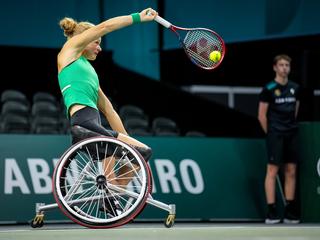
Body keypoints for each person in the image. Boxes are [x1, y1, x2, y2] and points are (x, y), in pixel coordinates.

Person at [57, 8, 158, 215]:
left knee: (143, 152)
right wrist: (138, 18)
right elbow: (105, 26)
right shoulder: (68, 52)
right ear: (84, 39)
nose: (99, 48)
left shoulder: (90, 73)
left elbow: (110, 111)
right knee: (134, 150)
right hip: (83, 124)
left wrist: (127, 140)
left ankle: (111, 197)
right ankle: (108, 198)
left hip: (95, 127)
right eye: (97, 42)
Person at [258, 54, 301, 224]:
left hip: (291, 133)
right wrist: (271, 134)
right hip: (275, 134)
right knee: (272, 171)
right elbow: (261, 116)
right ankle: (272, 210)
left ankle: (290, 210)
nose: (284, 68)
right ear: (275, 67)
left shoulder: (295, 88)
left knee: (291, 171)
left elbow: (295, 111)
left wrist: (289, 127)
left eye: (287, 65)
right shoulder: (268, 89)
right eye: (281, 65)